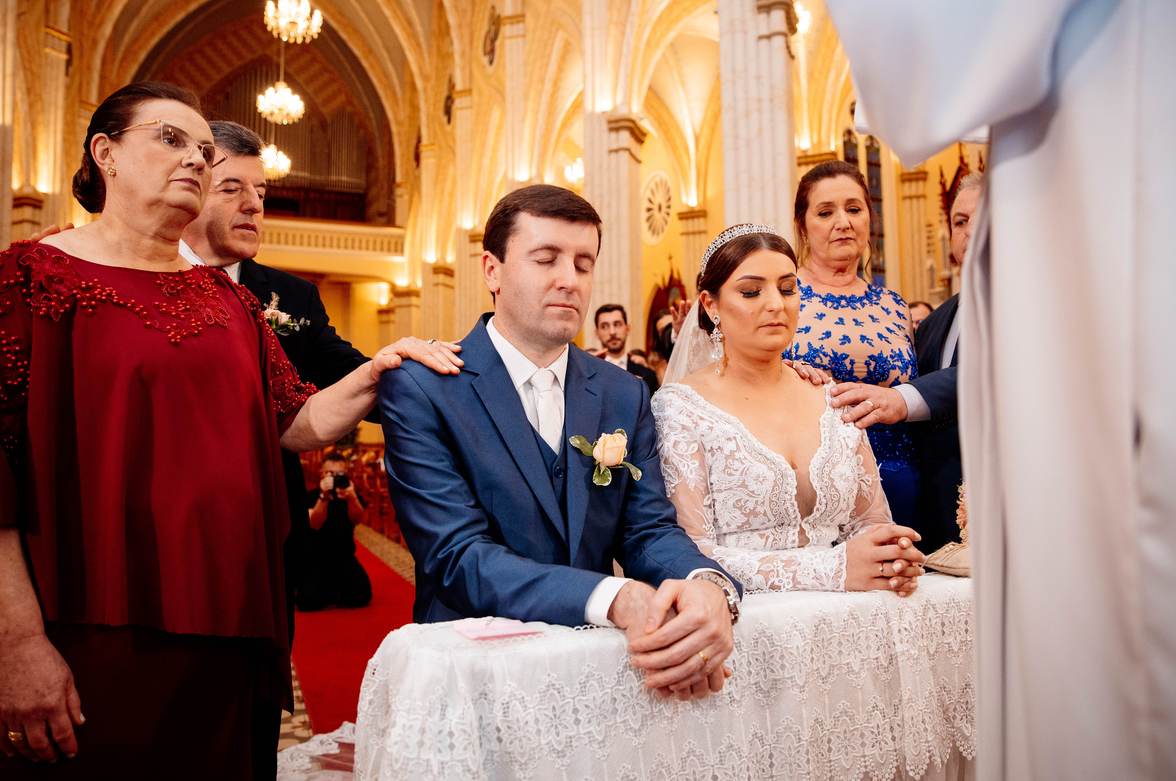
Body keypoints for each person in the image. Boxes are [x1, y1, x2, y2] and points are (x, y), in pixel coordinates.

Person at [0, 82, 460, 778]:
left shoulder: (229, 300)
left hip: (228, 621)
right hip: (89, 624)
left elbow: (295, 420)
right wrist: (16, 641)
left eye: (203, 149)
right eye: (171, 139)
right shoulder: (29, 280)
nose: (196, 159)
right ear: (106, 154)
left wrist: (377, 371)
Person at [820, 0, 1176, 777]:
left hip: (1106, 144)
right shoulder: (934, 311)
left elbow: (914, 62)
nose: (846, 223)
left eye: (857, 206)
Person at [378, 184, 741, 703]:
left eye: (584, 263)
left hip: (601, 668)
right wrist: (613, 597)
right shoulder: (423, 387)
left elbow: (647, 529)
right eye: (546, 259)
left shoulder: (624, 392)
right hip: (476, 672)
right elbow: (456, 556)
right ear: (492, 271)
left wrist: (704, 583)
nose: (569, 281)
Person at [656, 224, 924, 594]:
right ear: (710, 304)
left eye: (787, 288)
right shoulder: (681, 408)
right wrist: (832, 570)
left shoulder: (829, 396)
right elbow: (689, 550)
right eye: (751, 291)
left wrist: (891, 556)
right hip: (747, 619)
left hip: (854, 612)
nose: (776, 305)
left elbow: (872, 519)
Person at [830, 173, 981, 552]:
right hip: (934, 507)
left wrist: (900, 400)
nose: (969, 230)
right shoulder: (932, 323)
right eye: (960, 221)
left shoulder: (1042, 306)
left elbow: (997, 372)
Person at [782, 160, 920, 527]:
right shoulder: (783, 296)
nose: (843, 222)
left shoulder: (894, 305)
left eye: (854, 209)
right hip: (816, 492)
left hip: (900, 480)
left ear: (868, 220)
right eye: (826, 212)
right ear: (803, 227)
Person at [298, 453, 372, 611]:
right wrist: (324, 496)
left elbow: (358, 519)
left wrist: (351, 498)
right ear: (321, 473)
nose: (333, 477)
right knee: (307, 601)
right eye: (329, 473)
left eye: (338, 474)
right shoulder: (310, 496)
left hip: (344, 558)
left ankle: (333, 590)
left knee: (361, 596)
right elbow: (315, 523)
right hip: (315, 560)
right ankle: (330, 590)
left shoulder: (351, 496)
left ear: (346, 474)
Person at [594, 303, 659, 393]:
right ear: (597, 333)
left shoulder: (647, 374)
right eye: (604, 326)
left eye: (617, 324)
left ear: (627, 329)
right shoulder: (588, 372)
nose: (612, 332)